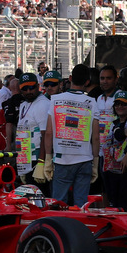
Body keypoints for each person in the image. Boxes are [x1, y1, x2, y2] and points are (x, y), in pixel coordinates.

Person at [42, 63, 100, 207]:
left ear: (70, 78)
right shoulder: (92, 102)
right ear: (87, 82)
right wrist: (95, 163)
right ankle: (79, 229)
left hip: (62, 159)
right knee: (81, 204)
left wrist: (48, 159)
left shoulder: (55, 100)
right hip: (85, 159)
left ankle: (60, 228)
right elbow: (96, 137)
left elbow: (48, 133)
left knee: (59, 203)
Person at [4, 73, 46, 181]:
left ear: (37, 86)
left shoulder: (43, 104)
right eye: (25, 88)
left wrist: (42, 162)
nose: (28, 91)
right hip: (26, 159)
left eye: (31, 87)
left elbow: (46, 135)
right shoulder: (24, 104)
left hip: (36, 160)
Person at [100, 90, 127, 208]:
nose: (120, 107)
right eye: (117, 104)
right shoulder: (114, 123)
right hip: (111, 169)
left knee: (125, 203)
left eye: (124, 104)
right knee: (112, 201)